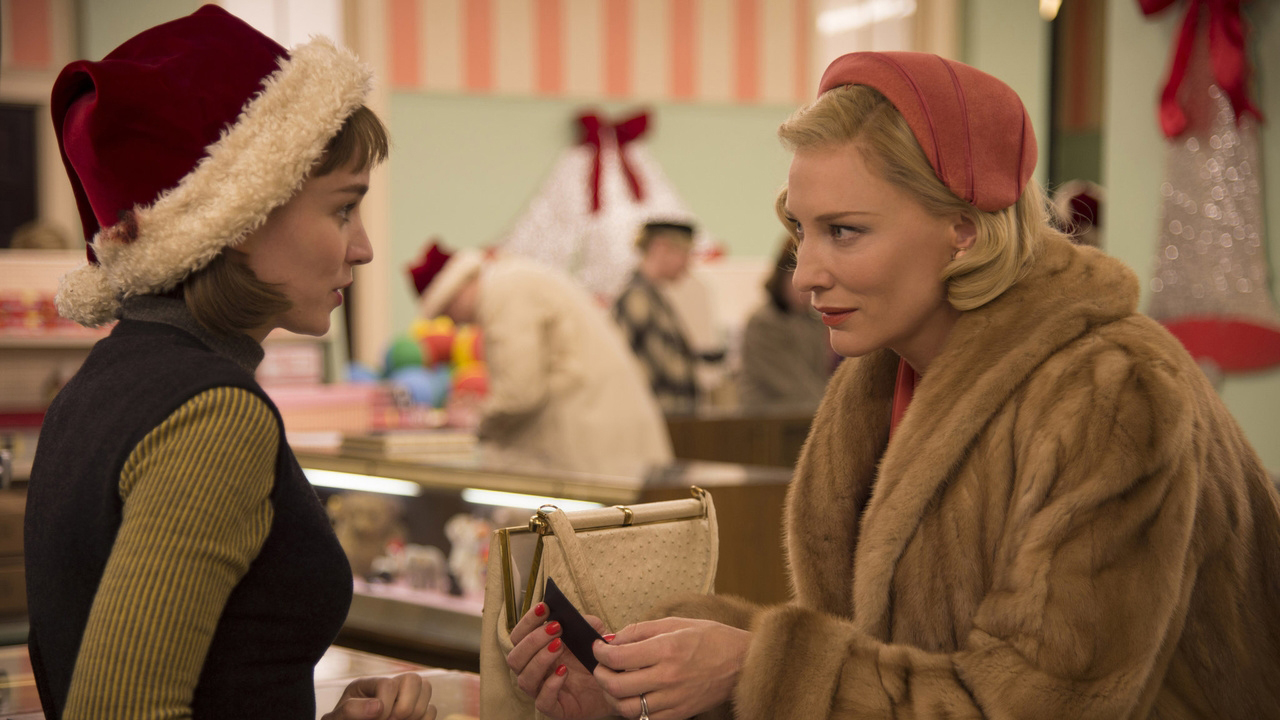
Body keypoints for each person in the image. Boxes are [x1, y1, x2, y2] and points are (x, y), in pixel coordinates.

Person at [505, 51, 1280, 719]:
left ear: (964, 231)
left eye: (844, 231)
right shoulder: (879, 376)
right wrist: (648, 675)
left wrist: (753, 666)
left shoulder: (1112, 391)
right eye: (800, 231)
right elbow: (879, 661)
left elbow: (1043, 701)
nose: (805, 274)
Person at [24, 7, 435, 720]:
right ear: (240, 217)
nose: (364, 248)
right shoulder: (211, 412)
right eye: (343, 209)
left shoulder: (103, 383)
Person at [410, 241, 673, 477]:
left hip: (593, 444)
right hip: (606, 436)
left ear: (455, 290)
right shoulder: (512, 280)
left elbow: (520, 393)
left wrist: (475, 421)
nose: (454, 324)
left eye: (447, 312)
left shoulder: (502, 293)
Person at [612, 221, 702, 413]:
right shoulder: (637, 299)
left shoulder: (653, 297)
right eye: (684, 253)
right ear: (660, 247)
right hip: (655, 416)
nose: (687, 263)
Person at [738, 236, 833, 409]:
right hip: (767, 418)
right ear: (781, 276)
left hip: (802, 414)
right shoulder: (764, 323)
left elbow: (817, 378)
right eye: (795, 274)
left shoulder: (812, 321)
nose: (806, 287)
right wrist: (833, 408)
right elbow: (792, 386)